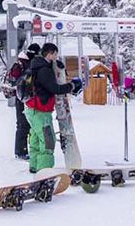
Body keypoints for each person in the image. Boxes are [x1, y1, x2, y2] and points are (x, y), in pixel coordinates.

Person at [24, 43, 83, 173]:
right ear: (49, 54)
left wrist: (58, 67)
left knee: (36, 139)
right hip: (40, 110)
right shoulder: (44, 70)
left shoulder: (37, 65)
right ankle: (44, 172)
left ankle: (35, 166)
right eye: (55, 54)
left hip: (32, 109)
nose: (56, 57)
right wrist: (72, 85)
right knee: (47, 140)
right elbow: (55, 88)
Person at [7, 43, 41, 160]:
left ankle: (24, 149)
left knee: (26, 124)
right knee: (23, 124)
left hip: (26, 97)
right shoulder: (24, 64)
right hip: (23, 98)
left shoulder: (23, 62)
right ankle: (20, 151)